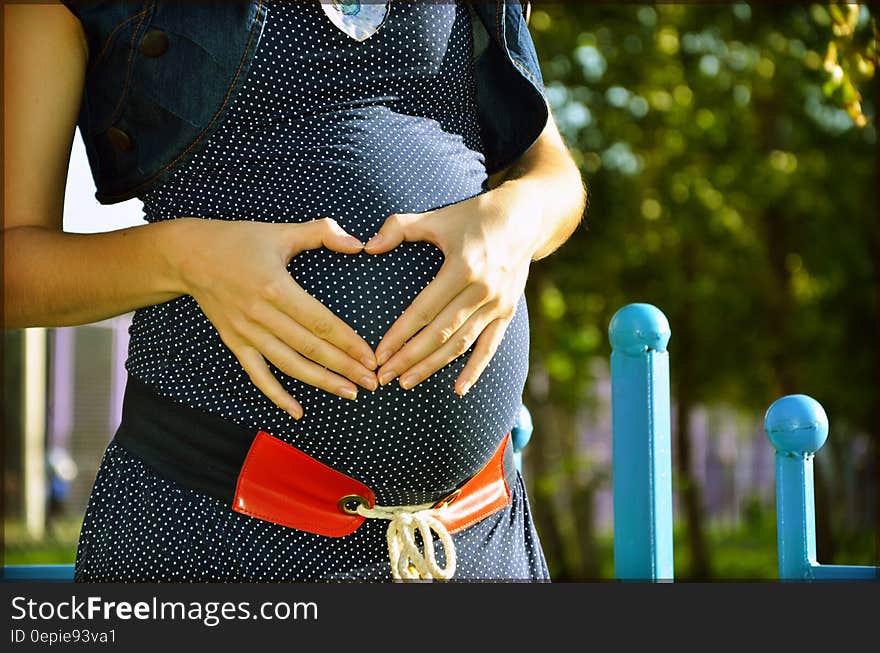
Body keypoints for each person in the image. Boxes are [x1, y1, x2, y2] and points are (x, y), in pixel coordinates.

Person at [3, 0, 586, 581]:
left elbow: (552, 174)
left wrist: (519, 219)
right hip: (213, 535)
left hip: (475, 538)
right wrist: (182, 257)